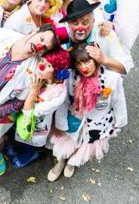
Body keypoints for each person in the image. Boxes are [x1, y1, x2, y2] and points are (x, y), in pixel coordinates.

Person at [0, 24, 63, 176]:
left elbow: (18, 103)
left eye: (44, 48)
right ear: (35, 31)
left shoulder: (34, 69)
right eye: (41, 39)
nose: (39, 46)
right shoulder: (1, 35)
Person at [47, 43, 127, 181]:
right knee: (66, 142)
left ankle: (72, 163)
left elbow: (118, 100)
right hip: (74, 118)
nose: (83, 68)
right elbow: (64, 101)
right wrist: (60, 123)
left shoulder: (111, 78)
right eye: (79, 64)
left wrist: (119, 122)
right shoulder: (71, 77)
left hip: (98, 122)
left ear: (96, 60)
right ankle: (61, 162)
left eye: (87, 62)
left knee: (86, 146)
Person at [9, 48, 70, 168]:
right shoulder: (36, 74)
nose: (41, 66)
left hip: (36, 124)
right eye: (42, 61)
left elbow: (31, 112)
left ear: (56, 71)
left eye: (48, 65)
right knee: (18, 135)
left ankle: (31, 155)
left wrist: (33, 91)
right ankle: (20, 148)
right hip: (19, 118)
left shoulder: (58, 94)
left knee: (30, 142)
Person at [59, 0, 134, 75]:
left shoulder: (104, 33)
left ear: (93, 22)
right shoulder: (61, 36)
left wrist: (104, 60)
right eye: (75, 23)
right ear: (68, 24)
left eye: (85, 23)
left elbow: (124, 68)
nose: (80, 28)